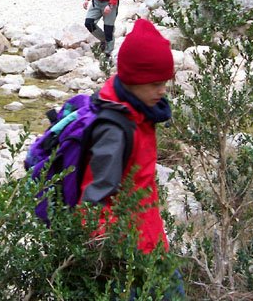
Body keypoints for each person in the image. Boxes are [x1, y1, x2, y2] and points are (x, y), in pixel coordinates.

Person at [80, 18, 185, 297]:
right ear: (134, 79)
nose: (162, 91)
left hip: (149, 237)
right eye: (155, 84)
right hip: (129, 254)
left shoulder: (140, 110)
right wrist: (118, 259)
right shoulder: (115, 130)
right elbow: (95, 203)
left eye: (164, 82)